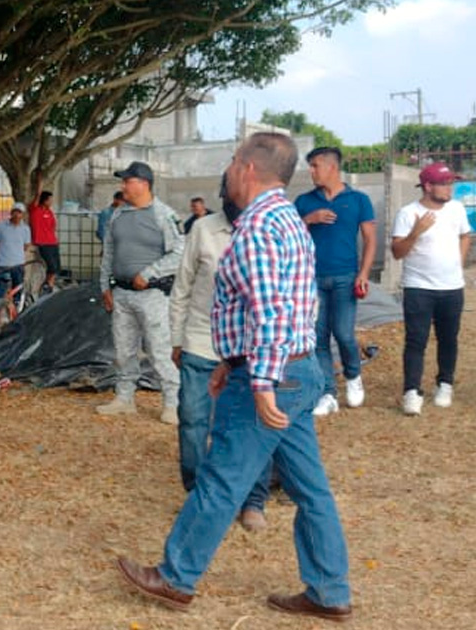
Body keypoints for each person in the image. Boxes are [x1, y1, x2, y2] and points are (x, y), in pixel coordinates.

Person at [117, 132, 352, 623]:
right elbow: (284, 307)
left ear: (246, 167)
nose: (227, 171)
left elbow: (268, 311)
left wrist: (260, 379)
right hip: (298, 366)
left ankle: (176, 577)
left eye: (230, 162)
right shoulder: (287, 219)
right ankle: (329, 592)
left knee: (222, 477)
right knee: (311, 490)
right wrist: (232, 361)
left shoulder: (258, 226)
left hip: (274, 375)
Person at [170, 175, 271, 532]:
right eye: (229, 190)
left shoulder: (265, 228)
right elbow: (182, 285)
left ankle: (253, 500)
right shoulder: (202, 229)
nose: (235, 196)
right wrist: (176, 339)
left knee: (247, 426)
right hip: (201, 341)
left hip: (249, 348)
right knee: (194, 419)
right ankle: (200, 494)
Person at [96, 161, 184, 425]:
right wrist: (105, 286)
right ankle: (124, 398)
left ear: (143, 184)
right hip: (121, 293)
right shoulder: (117, 215)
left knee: (159, 350)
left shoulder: (163, 215)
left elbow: (179, 252)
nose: (123, 186)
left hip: (153, 295)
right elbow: (109, 253)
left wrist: (149, 273)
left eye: (127, 181)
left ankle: (172, 403)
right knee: (123, 350)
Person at [295, 147, 376, 417]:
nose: (311, 170)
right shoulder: (304, 201)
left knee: (343, 333)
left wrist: (363, 273)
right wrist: (309, 219)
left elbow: (370, 239)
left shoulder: (358, 199)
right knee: (318, 338)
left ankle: (353, 376)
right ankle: (327, 393)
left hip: (345, 277)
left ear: (332, 167)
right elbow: (291, 235)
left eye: (315, 165)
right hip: (312, 280)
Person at [390, 162, 471, 415]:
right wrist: (416, 232)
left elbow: (465, 235)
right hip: (418, 288)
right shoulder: (407, 213)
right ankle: (411, 391)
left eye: (451, 183)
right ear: (428, 186)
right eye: (445, 184)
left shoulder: (456, 209)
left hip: (452, 287)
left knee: (448, 338)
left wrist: (459, 261)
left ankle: (445, 383)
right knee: (416, 340)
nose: (450, 189)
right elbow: (397, 252)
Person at [0, 202, 32, 301]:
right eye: (15, 212)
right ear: (11, 213)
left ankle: (16, 313)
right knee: (0, 293)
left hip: (18, 265)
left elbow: (26, 246)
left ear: (23, 215)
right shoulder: (1, 226)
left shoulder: (26, 229)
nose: (17, 215)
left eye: (20, 213)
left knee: (18, 292)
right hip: (3, 265)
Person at [28, 173, 61, 291]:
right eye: (50, 200)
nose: (51, 201)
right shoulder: (35, 210)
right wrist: (39, 184)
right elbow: (37, 195)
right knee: (51, 266)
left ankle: (49, 285)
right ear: (44, 200)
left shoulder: (50, 212)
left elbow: (53, 226)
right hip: (42, 243)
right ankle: (47, 284)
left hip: (52, 242)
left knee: (57, 267)